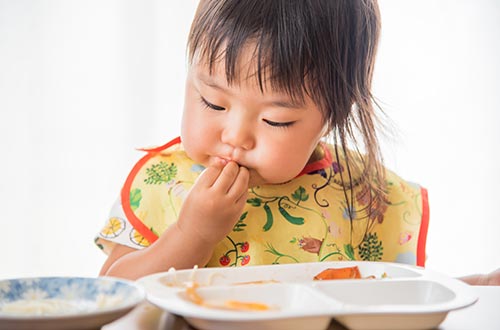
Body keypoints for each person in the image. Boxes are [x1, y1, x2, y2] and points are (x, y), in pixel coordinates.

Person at [95, 0, 498, 286]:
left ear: (332, 116)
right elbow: (111, 295)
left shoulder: (359, 192)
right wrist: (191, 234)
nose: (235, 136)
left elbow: (394, 295)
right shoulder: (163, 180)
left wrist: (474, 286)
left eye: (276, 119)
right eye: (212, 102)